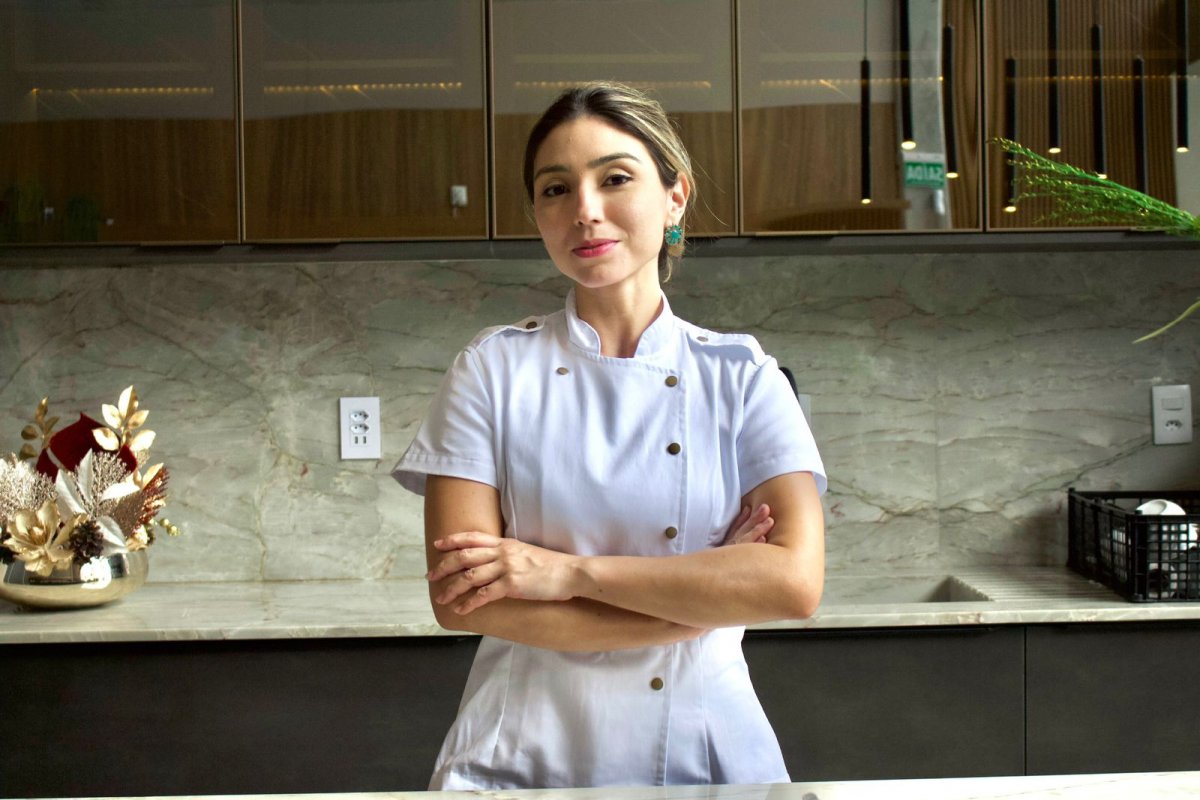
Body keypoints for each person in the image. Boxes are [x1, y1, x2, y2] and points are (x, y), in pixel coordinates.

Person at [392, 81, 827, 790]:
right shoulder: (492, 370)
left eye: (615, 178)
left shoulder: (742, 375)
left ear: (674, 196)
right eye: (555, 189)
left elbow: (793, 583)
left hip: (705, 756)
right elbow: (466, 598)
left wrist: (565, 574)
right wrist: (693, 611)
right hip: (523, 759)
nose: (585, 211)